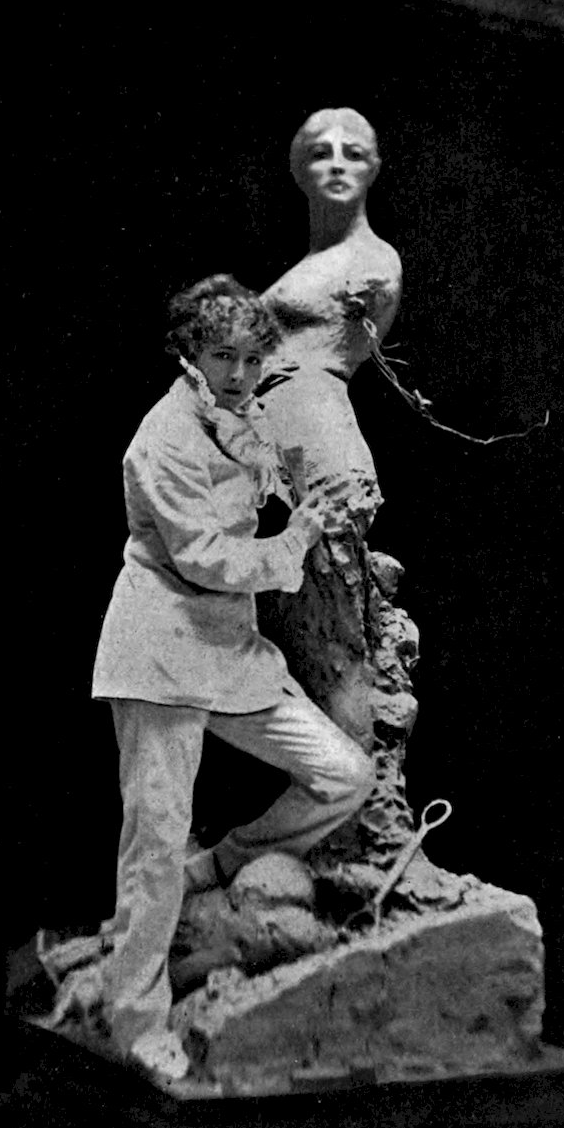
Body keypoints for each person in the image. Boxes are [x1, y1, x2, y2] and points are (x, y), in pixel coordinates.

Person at [91, 275, 375, 1082]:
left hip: (227, 650)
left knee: (342, 774)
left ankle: (219, 863)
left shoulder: (238, 412)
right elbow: (206, 559)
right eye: (224, 357)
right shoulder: (163, 440)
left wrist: (313, 488)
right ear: (188, 354)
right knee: (153, 843)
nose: (242, 374)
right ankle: (135, 1021)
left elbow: (266, 468)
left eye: (254, 358)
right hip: (158, 650)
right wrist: (297, 539)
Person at [257, 107, 404, 750]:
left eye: (353, 151)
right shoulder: (312, 261)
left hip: (314, 435)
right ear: (299, 171)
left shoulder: (372, 260)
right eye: (321, 152)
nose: (338, 162)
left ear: (374, 169)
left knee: (333, 636)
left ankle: (367, 794)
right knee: (291, 629)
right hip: (274, 446)